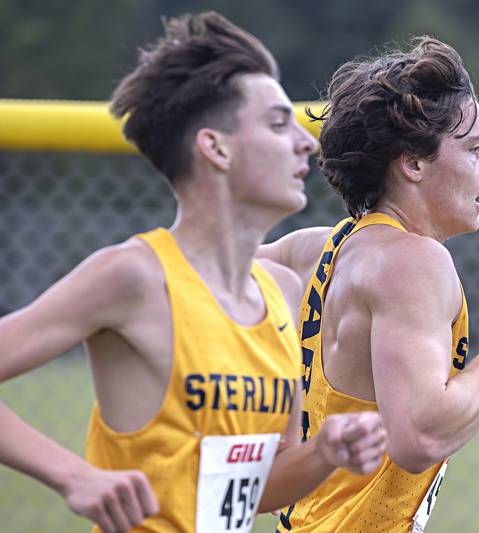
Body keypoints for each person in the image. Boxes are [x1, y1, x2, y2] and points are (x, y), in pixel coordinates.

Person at [0, 11, 386, 533]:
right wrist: (74, 476)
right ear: (215, 147)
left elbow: (261, 489)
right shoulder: (135, 276)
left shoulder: (284, 292)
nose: (306, 142)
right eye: (277, 123)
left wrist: (325, 452)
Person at [258, 37, 479, 532]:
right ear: (413, 163)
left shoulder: (313, 250)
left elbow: (205, 274)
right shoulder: (413, 262)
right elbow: (418, 436)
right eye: (475, 147)